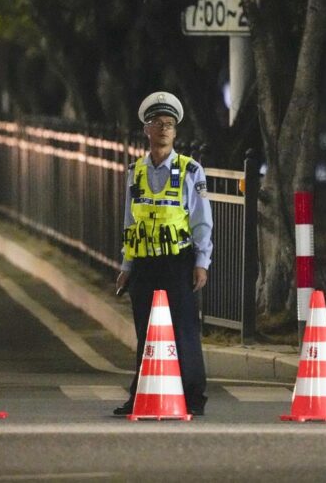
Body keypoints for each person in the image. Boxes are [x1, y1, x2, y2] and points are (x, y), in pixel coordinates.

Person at [113, 92, 213, 416]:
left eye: (169, 124)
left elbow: (201, 221)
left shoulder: (190, 170)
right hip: (144, 263)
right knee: (145, 332)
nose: (164, 129)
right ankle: (140, 394)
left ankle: (193, 396)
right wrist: (127, 265)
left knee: (184, 329)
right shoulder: (136, 171)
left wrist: (201, 262)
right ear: (147, 129)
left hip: (177, 261)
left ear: (175, 131)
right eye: (158, 123)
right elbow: (130, 220)